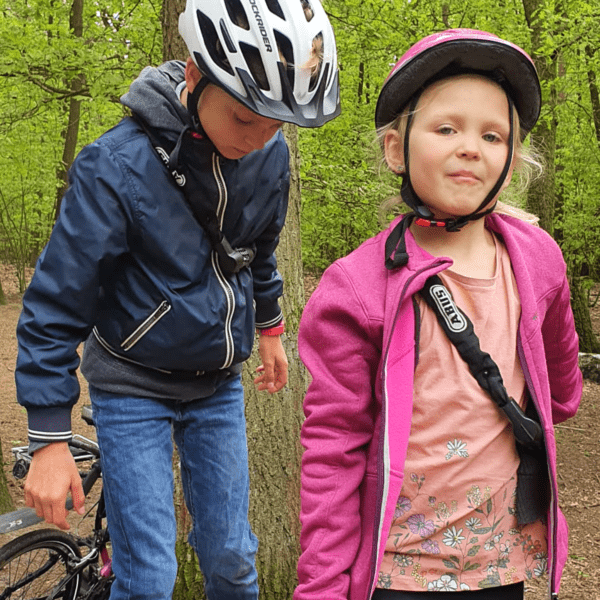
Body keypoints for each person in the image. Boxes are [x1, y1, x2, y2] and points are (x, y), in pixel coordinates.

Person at [15, 1, 339, 598]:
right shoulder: (114, 167)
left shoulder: (269, 157)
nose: (261, 138)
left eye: (277, 124)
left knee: (234, 561)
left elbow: (257, 250)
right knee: (150, 578)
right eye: (245, 118)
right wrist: (49, 438)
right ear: (194, 77)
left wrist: (270, 329)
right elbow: (55, 305)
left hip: (216, 385)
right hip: (132, 383)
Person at [294, 29, 582, 600]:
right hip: (398, 570)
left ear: (511, 158)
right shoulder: (356, 285)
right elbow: (332, 449)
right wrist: (321, 586)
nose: (470, 146)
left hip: (503, 562)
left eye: (492, 135)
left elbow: (563, 390)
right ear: (396, 149)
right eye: (446, 128)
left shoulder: (539, 261)